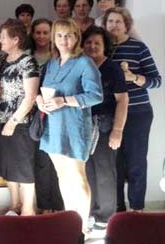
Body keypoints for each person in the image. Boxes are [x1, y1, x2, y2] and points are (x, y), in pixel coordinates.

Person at [37, 19, 103, 233]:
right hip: (54, 126)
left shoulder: (85, 62)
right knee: (62, 176)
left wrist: (64, 101)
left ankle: (82, 227)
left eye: (68, 35)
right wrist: (40, 101)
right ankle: (70, 223)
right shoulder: (52, 63)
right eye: (59, 35)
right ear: (53, 38)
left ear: (76, 37)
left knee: (77, 175)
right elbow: (46, 90)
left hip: (75, 126)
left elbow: (95, 96)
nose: (63, 40)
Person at [104, 7, 161, 212]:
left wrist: (134, 78)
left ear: (126, 24)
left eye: (118, 21)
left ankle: (137, 210)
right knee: (114, 165)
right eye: (110, 21)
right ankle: (118, 211)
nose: (114, 25)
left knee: (136, 162)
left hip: (138, 113)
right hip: (111, 114)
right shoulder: (102, 49)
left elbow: (156, 81)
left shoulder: (139, 48)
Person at [0, 19, 39, 217]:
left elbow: (30, 97)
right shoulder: (0, 60)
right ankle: (15, 204)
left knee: (23, 166)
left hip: (19, 123)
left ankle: (28, 209)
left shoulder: (28, 62)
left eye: (3, 37)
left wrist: (13, 121)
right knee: (8, 165)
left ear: (16, 39)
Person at [82, 26, 128, 230]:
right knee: (87, 171)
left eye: (97, 43)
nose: (92, 46)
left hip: (105, 125)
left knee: (105, 171)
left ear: (104, 47)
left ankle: (106, 216)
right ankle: (90, 211)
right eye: (89, 42)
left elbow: (123, 100)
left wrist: (117, 130)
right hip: (82, 125)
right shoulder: (81, 64)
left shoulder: (112, 68)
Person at [28, 19, 65, 214]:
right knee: (42, 162)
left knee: (59, 163)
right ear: (33, 34)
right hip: (38, 114)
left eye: (45, 32)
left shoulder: (60, 57)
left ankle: (59, 207)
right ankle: (44, 205)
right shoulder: (28, 57)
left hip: (62, 113)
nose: (41, 36)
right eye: (38, 32)